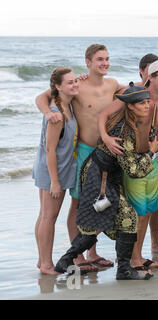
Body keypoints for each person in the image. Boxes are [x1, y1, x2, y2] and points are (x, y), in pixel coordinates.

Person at [54, 83, 158, 280]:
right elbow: (135, 170)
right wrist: (152, 151)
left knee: (98, 221)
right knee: (128, 217)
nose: (148, 106)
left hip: (99, 173)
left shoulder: (128, 125)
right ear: (130, 106)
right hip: (99, 177)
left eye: (148, 102)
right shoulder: (123, 132)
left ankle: (66, 261)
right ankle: (124, 270)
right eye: (142, 103)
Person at [35, 44, 125, 271]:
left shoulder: (112, 84)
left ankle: (91, 252)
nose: (104, 63)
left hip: (106, 152)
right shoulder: (76, 87)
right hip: (83, 152)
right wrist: (47, 113)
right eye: (99, 59)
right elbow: (43, 97)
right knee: (77, 205)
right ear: (88, 62)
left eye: (106, 58)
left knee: (98, 205)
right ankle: (76, 257)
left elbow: (136, 91)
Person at [98, 57, 158, 271]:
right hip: (131, 160)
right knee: (134, 212)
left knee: (147, 211)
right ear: (149, 77)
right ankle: (130, 258)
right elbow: (104, 114)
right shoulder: (134, 94)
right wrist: (105, 137)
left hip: (150, 158)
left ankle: (138, 256)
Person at [33, 67, 79, 275]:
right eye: (69, 83)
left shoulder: (68, 105)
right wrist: (55, 181)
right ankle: (46, 264)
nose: (74, 85)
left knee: (44, 215)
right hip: (53, 170)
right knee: (48, 218)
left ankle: (41, 259)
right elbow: (50, 149)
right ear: (58, 87)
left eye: (75, 80)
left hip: (60, 167)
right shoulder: (57, 114)